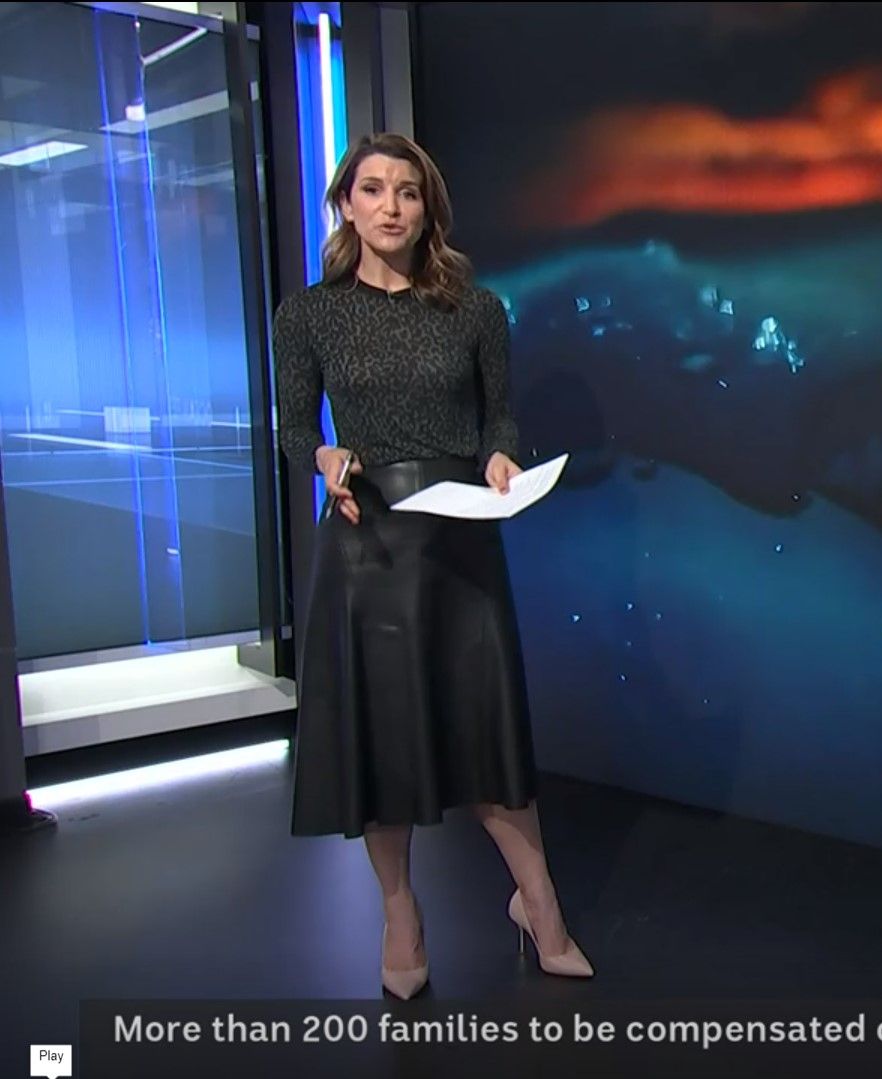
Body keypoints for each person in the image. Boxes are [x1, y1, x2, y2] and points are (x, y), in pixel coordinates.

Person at [273, 132, 592, 999]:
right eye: (373, 189)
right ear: (346, 205)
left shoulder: (475, 309)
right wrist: (323, 458)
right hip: (368, 537)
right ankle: (401, 914)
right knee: (384, 737)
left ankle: (539, 903)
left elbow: (499, 418)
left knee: (487, 729)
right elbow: (295, 426)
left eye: (407, 192)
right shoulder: (308, 314)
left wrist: (500, 457)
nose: (390, 206)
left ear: (427, 210)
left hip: (459, 537)